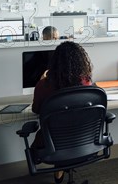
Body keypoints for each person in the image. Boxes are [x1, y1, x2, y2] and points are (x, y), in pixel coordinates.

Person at [31, 41, 93, 182]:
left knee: (58, 134)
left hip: (51, 143)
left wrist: (41, 81)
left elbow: (36, 110)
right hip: (83, 139)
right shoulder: (86, 83)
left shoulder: (44, 84)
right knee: (66, 132)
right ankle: (60, 169)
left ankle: (59, 171)